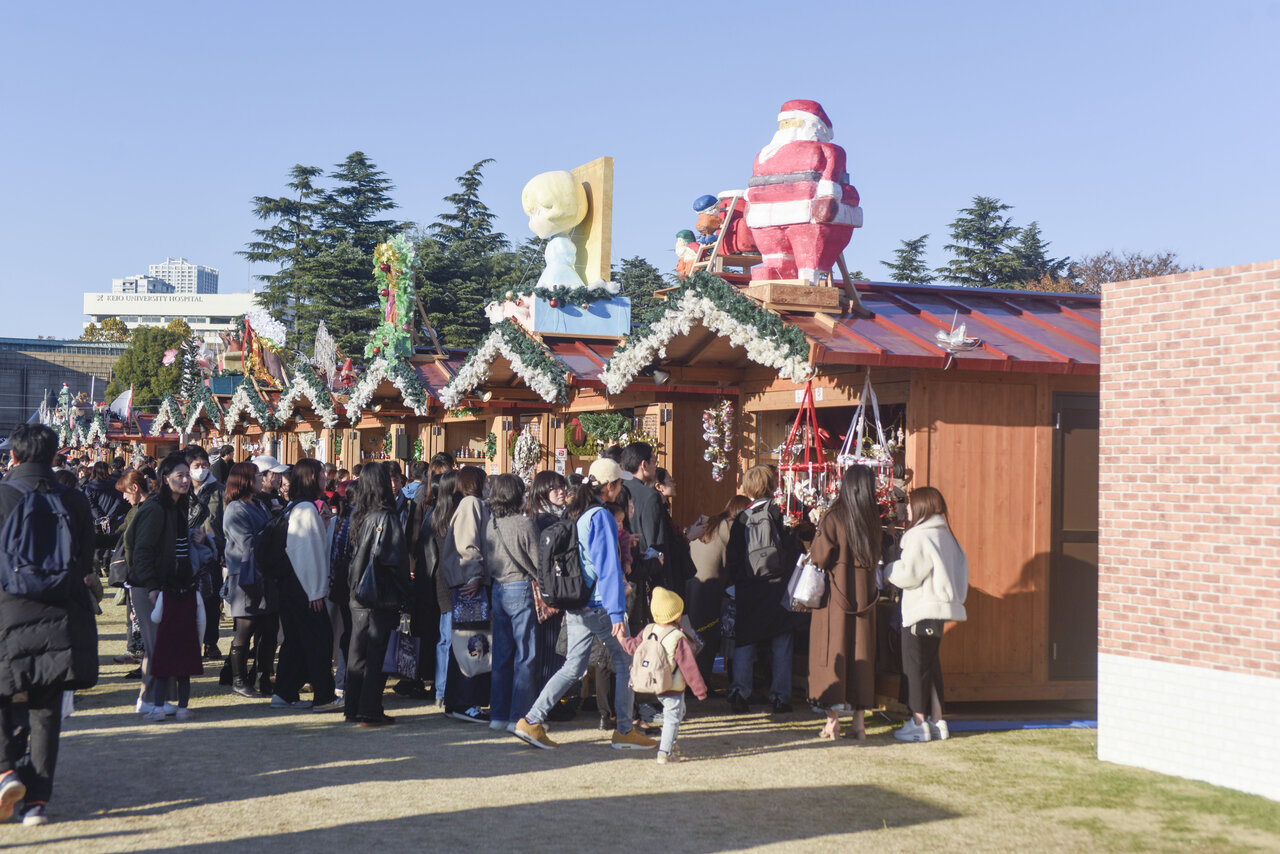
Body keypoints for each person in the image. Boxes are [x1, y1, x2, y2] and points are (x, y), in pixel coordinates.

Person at [514, 458, 657, 752]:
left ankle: (532, 719)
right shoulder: (601, 516)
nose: (621, 489)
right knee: (626, 663)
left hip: (579, 601)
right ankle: (625, 730)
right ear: (610, 486)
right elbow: (607, 567)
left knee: (573, 666)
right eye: (619, 483)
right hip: (601, 604)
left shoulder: (580, 511)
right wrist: (617, 613)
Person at [0, 424, 98, 827]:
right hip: (61, 613)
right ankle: (37, 802)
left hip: (8, 611)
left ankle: (5, 770)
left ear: (14, 456)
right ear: (56, 455)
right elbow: (86, 560)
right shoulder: (73, 499)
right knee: (46, 709)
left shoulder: (3, 495)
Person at [887, 486, 968, 742]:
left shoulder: (920, 536)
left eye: (910, 504)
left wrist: (888, 569)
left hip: (920, 609)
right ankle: (937, 720)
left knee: (914, 666)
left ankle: (918, 722)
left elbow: (909, 574)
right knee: (931, 665)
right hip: (940, 610)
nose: (907, 509)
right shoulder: (947, 536)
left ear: (921, 506)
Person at [807, 467, 882, 741]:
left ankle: (832, 723)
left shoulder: (834, 516)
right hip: (865, 597)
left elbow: (819, 557)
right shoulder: (873, 520)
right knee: (862, 656)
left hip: (835, 597)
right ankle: (859, 724)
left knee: (831, 652)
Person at [128, 453, 201, 722]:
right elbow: (142, 550)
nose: (186, 480)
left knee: (167, 643)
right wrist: (151, 585)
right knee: (156, 645)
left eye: (187, 474)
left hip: (172, 586)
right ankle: (147, 700)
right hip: (149, 586)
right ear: (165, 478)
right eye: (179, 475)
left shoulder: (177, 507)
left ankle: (164, 699)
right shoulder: (156, 508)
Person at [725, 465, 799, 715]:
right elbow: (792, 549)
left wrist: (740, 581)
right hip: (779, 588)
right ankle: (780, 697)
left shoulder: (742, 518)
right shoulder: (781, 512)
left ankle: (739, 692)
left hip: (749, 589)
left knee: (745, 641)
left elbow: (733, 558)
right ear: (772, 484)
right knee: (782, 642)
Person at [271, 459, 342, 713]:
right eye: (322, 475)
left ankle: (284, 692)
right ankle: (323, 695)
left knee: (295, 641)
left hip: (292, 585)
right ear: (312, 478)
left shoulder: (295, 507)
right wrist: (315, 591)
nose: (325, 479)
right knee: (318, 640)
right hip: (304, 586)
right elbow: (306, 554)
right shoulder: (306, 509)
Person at [345, 462, 411, 726]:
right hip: (380, 595)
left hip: (358, 594)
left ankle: (353, 707)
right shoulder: (387, 517)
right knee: (377, 654)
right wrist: (405, 593)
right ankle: (370, 710)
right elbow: (395, 561)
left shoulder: (359, 514)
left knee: (357, 653)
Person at [619, 587, 708, 764]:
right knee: (672, 718)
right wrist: (700, 690)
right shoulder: (677, 637)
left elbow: (633, 647)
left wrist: (621, 639)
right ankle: (665, 752)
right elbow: (689, 667)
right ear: (677, 615)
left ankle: (671, 744)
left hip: (654, 684)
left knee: (677, 712)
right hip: (673, 686)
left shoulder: (648, 630)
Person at [483, 474, 541, 734]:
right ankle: (519, 716)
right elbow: (538, 562)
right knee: (525, 655)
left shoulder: (491, 524)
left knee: (502, 655)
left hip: (498, 587)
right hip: (521, 586)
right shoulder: (525, 524)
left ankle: (498, 713)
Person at [438, 466, 491, 723]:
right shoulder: (471, 504)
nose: (488, 485)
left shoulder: (471, 504)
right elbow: (468, 544)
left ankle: (457, 701)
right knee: (471, 643)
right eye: (485, 480)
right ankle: (465, 701)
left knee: (467, 642)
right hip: (470, 586)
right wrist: (474, 574)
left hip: (468, 584)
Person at [221, 462, 275, 698]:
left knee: (269, 628)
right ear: (245, 480)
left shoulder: (259, 504)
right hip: (245, 575)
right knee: (246, 627)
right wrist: (272, 534)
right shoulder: (235, 509)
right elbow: (247, 542)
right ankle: (239, 679)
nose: (261, 479)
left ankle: (263, 677)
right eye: (257, 475)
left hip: (265, 573)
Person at [687, 494, 750, 685]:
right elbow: (732, 563)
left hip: (692, 582)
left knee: (693, 633)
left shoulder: (712, 522)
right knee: (708, 635)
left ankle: (690, 679)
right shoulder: (730, 527)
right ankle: (700, 682)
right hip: (710, 586)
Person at [185, 445, 225, 660]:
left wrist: (222, 548)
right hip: (186, 551)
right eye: (196, 465)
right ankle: (191, 642)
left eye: (204, 465)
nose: (201, 469)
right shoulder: (182, 489)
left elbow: (225, 522)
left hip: (211, 551)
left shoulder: (219, 490)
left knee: (211, 599)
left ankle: (211, 642)